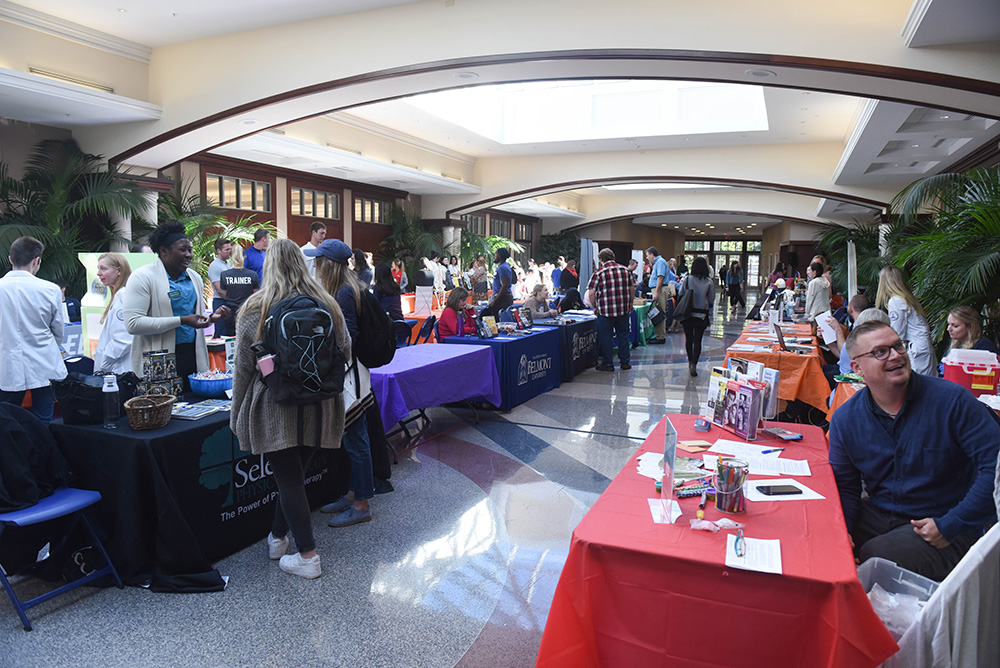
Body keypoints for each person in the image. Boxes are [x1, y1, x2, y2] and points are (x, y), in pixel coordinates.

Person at [829, 321, 1000, 581]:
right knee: (822, 538)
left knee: (876, 556)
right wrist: (843, 535)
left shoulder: (952, 401)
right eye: (880, 352)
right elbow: (845, 487)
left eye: (898, 346)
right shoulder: (846, 419)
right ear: (857, 368)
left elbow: (995, 468)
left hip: (946, 523)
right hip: (881, 513)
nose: (896, 355)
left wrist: (952, 524)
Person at [231, 238, 350, 579]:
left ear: (268, 266)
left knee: (288, 478)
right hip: (322, 405)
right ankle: (277, 538)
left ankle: (308, 556)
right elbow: (345, 351)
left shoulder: (257, 307)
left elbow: (244, 367)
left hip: (275, 405)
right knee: (294, 476)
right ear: (303, 263)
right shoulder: (327, 303)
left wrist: (237, 411)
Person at [308, 239, 376, 528]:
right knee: (352, 439)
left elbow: (347, 336)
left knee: (356, 440)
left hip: (349, 378)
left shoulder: (345, 292)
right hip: (350, 374)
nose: (315, 265)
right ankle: (352, 494)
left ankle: (361, 504)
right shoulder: (347, 288)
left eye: (319, 261)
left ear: (330, 265)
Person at [124, 221, 230, 385]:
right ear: (163, 251)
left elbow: (193, 318)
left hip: (192, 355)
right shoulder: (142, 277)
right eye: (182, 250)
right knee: (164, 407)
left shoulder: (194, 277)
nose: (189, 255)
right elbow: (133, 324)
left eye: (190, 250)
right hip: (159, 360)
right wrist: (181, 321)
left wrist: (211, 318)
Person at [0, 236, 67, 424]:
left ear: (11, 259)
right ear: (37, 260)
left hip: (5, 365)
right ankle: (42, 453)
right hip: (43, 363)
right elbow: (58, 330)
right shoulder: (50, 290)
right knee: (43, 422)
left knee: (6, 422)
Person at [876, 265, 936, 376]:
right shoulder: (908, 298)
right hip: (923, 347)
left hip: (916, 351)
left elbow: (897, 333)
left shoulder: (895, 301)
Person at [586, 248, 634, 371]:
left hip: (605, 311)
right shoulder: (625, 270)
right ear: (613, 257)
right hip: (623, 309)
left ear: (601, 260)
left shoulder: (598, 273)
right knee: (623, 335)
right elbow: (632, 288)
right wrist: (630, 303)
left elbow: (591, 293)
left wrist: (595, 307)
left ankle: (608, 363)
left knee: (606, 336)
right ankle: (625, 362)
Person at [93, 252, 133, 374]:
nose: (98, 273)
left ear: (119, 271)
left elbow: (123, 339)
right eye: (98, 268)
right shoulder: (120, 295)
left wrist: (104, 364)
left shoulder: (123, 296)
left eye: (103, 268)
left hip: (119, 370)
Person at [676, 257, 715, 377]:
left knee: (689, 339)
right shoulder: (709, 282)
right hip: (701, 315)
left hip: (688, 314)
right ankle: (694, 364)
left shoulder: (687, 279)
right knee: (698, 340)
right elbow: (711, 299)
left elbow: (681, 293)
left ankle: (689, 361)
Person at [219, 245, 259, 337]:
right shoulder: (253, 275)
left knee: (230, 341)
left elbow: (224, 293)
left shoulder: (224, 275)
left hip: (230, 312)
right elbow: (255, 294)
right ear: (244, 257)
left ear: (231, 257)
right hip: (247, 311)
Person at [645, 246, 670, 344]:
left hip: (659, 290)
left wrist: (656, 292)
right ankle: (659, 334)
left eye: (647, 255)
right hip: (658, 289)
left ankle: (660, 337)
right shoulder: (658, 262)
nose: (647, 258)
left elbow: (660, 278)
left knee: (659, 313)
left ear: (652, 254)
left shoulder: (659, 262)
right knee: (658, 312)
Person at [483, 247, 514, 320]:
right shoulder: (502, 267)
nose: (494, 256)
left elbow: (505, 286)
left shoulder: (503, 268)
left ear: (500, 255)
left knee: (498, 319)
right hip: (501, 298)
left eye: (496, 254)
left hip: (502, 299)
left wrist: (496, 300)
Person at [208, 238, 231, 313]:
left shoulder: (229, 264)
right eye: (226, 250)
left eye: (230, 249)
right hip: (221, 301)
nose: (229, 252)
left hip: (229, 300)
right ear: (219, 251)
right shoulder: (214, 266)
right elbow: (219, 290)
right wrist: (232, 300)